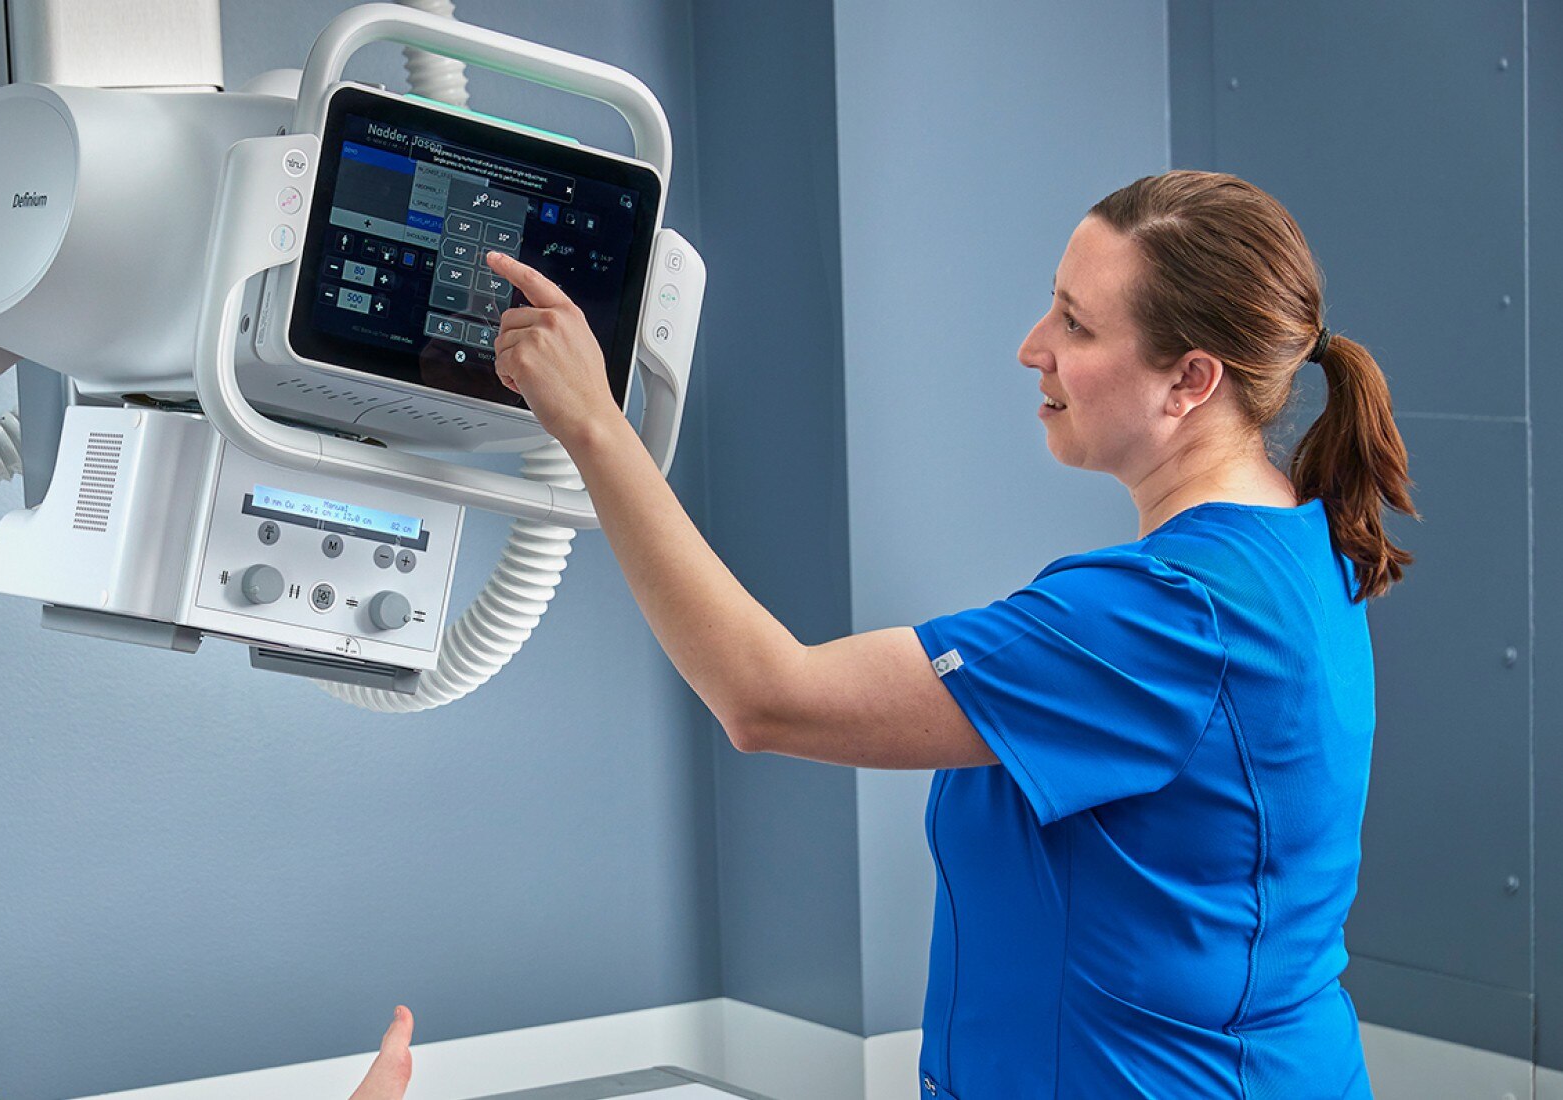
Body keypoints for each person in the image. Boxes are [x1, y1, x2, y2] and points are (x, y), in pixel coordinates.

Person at [481, 169, 1414, 1098]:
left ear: (1191, 379)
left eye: (1077, 325)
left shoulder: (1164, 615)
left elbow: (769, 698)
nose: (1032, 347)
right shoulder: (1297, 546)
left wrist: (596, 425)